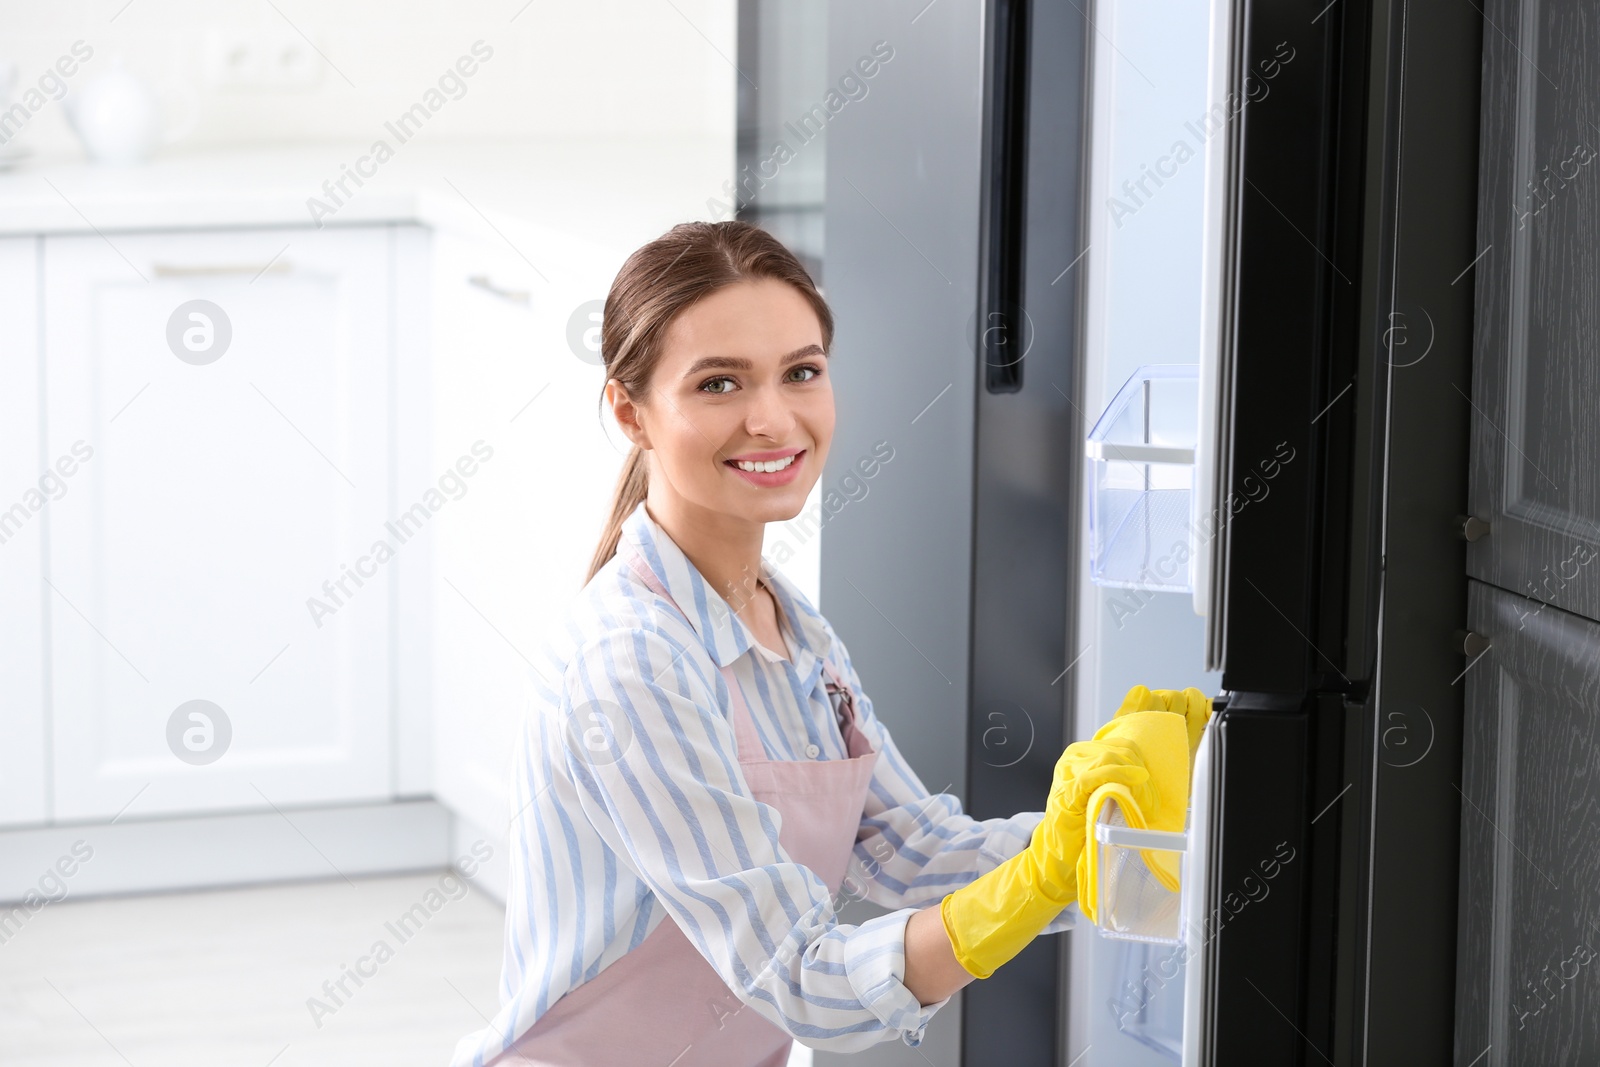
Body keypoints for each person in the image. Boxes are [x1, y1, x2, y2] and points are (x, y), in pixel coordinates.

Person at [450, 220, 1169, 1067]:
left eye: (802, 372)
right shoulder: (633, 661)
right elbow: (802, 980)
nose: (772, 418)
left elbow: (910, 849)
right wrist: (1041, 877)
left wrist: (1105, 836)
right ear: (629, 411)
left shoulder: (789, 626)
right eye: (719, 383)